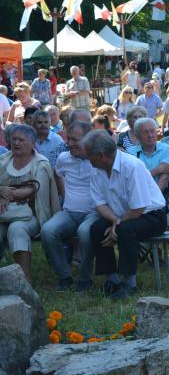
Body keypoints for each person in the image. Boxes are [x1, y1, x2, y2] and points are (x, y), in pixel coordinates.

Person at [85, 130, 167, 299]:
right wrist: (115, 221)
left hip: (152, 216)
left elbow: (138, 208)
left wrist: (118, 225)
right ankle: (112, 279)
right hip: (121, 216)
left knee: (125, 230)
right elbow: (100, 203)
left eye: (89, 154)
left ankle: (129, 283)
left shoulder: (132, 166)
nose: (87, 158)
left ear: (101, 155)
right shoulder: (96, 169)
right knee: (97, 228)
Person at [41, 121, 98, 291]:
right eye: (68, 138)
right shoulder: (63, 158)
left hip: (93, 213)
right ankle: (64, 276)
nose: (69, 143)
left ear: (88, 140)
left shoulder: (98, 159)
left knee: (85, 232)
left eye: (75, 139)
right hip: (69, 213)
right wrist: (66, 196)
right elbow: (58, 174)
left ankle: (84, 278)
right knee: (47, 230)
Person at [0, 124, 60, 283]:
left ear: (32, 143)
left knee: (17, 229)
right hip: (3, 214)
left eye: (21, 140)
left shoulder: (41, 163)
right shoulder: (3, 160)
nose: (16, 143)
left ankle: (25, 277)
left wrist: (7, 193)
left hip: (31, 215)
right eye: (14, 139)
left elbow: (34, 190)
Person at [132, 118, 169, 194]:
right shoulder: (130, 153)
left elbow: (167, 168)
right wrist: (159, 170)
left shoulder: (165, 148)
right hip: (138, 194)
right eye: (145, 132)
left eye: (152, 131)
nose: (150, 135)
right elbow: (132, 179)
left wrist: (142, 176)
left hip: (161, 196)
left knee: (166, 174)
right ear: (137, 135)